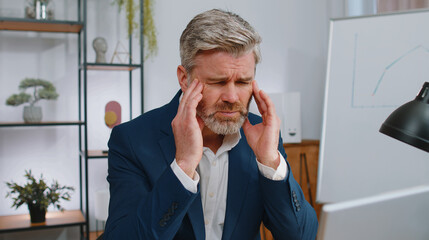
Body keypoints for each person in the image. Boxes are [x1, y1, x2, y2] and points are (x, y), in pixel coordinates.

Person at [104, 9, 318, 240]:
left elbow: (301, 235)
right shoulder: (132, 140)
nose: (232, 97)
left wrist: (270, 162)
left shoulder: (263, 135)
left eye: (243, 82)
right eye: (218, 82)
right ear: (185, 79)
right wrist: (183, 166)